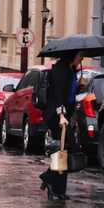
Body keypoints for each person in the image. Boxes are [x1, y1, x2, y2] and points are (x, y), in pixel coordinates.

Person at [39, 51, 83, 200]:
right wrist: (61, 115)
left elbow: (68, 94)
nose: (82, 58)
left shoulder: (70, 70)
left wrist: (79, 87)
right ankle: (50, 178)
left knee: (63, 151)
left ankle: (57, 188)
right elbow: (58, 95)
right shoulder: (60, 70)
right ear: (72, 55)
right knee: (68, 148)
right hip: (56, 116)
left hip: (64, 116)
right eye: (80, 55)